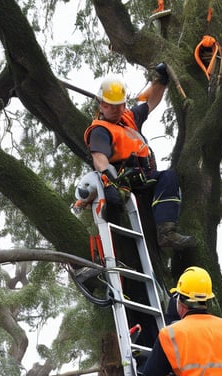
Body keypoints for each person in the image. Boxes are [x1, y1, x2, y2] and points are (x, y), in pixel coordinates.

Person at [84, 64, 195, 250]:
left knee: (169, 177)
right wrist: (108, 177)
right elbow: (99, 157)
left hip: (146, 175)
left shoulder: (128, 118)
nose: (116, 110)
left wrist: (162, 80)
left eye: (120, 105)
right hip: (127, 180)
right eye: (110, 106)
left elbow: (151, 101)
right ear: (101, 105)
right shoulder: (100, 130)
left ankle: (166, 233)